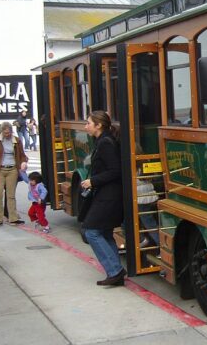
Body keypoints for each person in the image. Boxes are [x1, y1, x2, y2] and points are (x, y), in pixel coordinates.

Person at [80, 110, 125, 286]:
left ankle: (115, 270)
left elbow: (115, 171)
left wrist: (92, 181)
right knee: (104, 232)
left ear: (98, 125)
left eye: (88, 123)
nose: (86, 127)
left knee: (91, 232)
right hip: (108, 194)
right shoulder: (103, 140)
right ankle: (115, 271)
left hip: (109, 195)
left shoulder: (105, 143)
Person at [0, 121, 28, 226]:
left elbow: (22, 155)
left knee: (11, 195)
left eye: (9, 133)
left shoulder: (17, 140)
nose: (7, 135)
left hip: (12, 169)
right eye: (5, 133)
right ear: (1, 132)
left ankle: (13, 218)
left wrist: (23, 162)